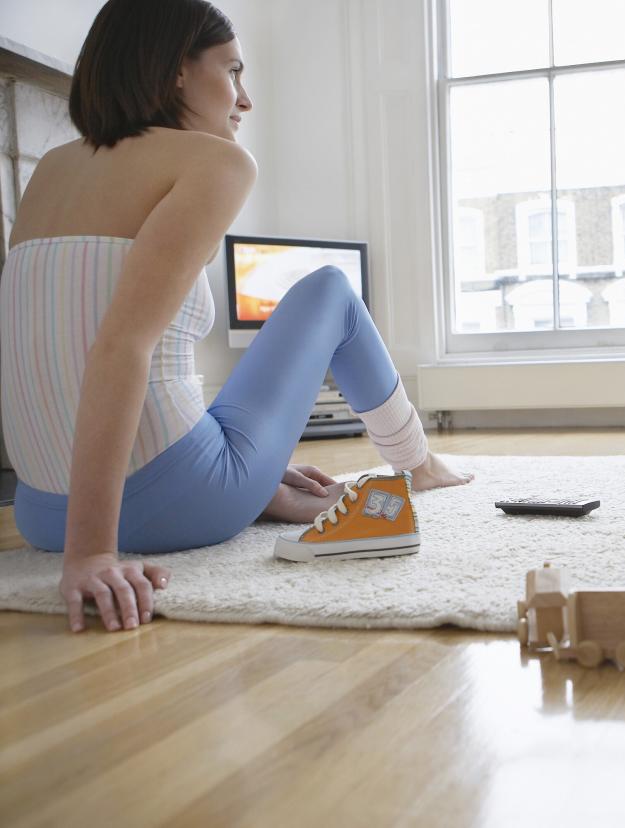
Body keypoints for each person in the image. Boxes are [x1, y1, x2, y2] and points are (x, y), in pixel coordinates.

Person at [0, 0, 471, 634]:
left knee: (207, 403)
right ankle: (418, 464)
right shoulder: (214, 161)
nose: (244, 99)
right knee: (331, 289)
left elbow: (51, 352)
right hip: (165, 506)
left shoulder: (50, 169)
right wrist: (92, 554)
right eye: (233, 70)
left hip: (38, 509)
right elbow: (118, 349)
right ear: (175, 72)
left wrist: (73, 536)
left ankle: (259, 485)